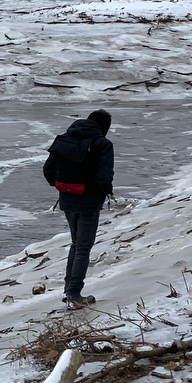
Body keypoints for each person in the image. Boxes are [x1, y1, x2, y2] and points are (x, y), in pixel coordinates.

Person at [43, 109, 114, 309]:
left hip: (67, 198)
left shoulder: (65, 139)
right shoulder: (103, 144)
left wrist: (64, 187)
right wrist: (105, 192)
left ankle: (70, 290)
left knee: (76, 244)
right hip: (89, 202)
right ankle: (74, 294)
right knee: (83, 248)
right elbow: (105, 176)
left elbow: (48, 170)